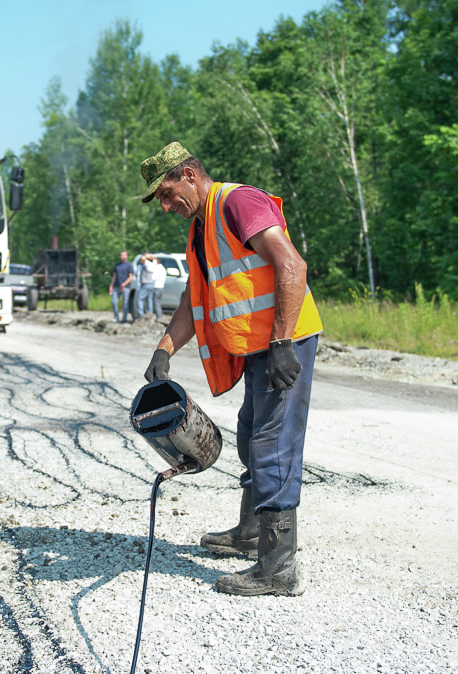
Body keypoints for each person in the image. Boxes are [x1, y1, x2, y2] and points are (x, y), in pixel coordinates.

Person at [138, 142, 323, 597]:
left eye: (165, 193)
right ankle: (251, 532)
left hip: (285, 339)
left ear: (188, 174)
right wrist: (165, 348)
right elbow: (194, 297)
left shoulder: (237, 202)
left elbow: (291, 265)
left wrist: (281, 342)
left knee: (272, 443)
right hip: (259, 346)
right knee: (249, 433)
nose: (164, 207)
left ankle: (279, 569)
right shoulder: (202, 226)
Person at [108, 250, 134, 323]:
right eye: (121, 255)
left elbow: (131, 277)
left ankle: (124, 318)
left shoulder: (129, 265)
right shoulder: (117, 265)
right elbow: (114, 276)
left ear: (126, 256)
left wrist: (123, 284)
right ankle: (116, 317)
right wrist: (111, 285)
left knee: (125, 303)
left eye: (123, 255)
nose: (121, 256)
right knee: (113, 301)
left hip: (126, 287)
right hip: (116, 286)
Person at [142, 253, 166, 318]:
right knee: (157, 303)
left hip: (157, 287)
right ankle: (158, 316)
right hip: (161, 287)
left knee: (156, 303)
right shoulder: (163, 268)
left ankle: (159, 317)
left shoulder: (157, 268)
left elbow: (153, 277)